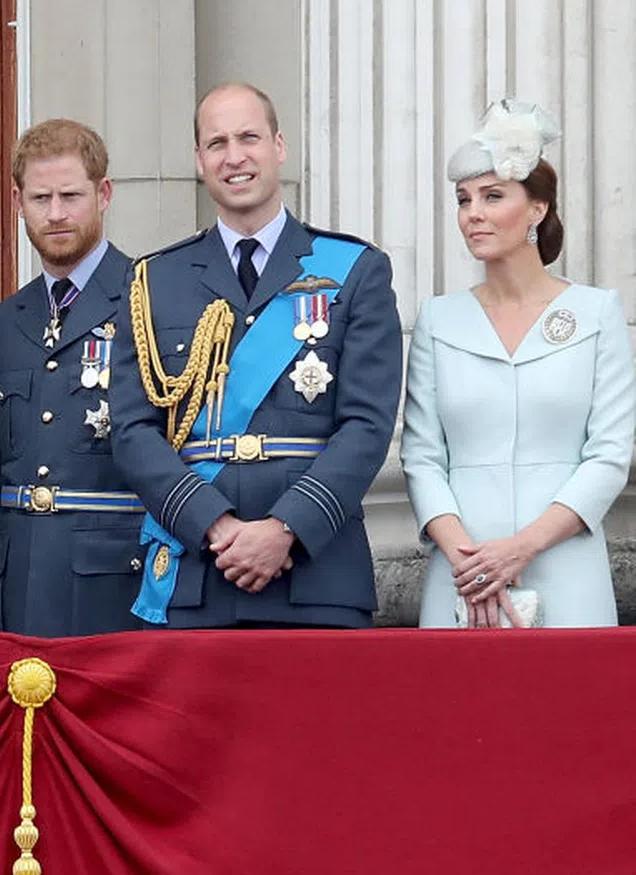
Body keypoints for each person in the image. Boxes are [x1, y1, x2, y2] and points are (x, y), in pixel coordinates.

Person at [110, 82, 403, 628]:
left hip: (317, 575)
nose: (234, 156)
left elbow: (366, 426)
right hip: (198, 572)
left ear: (279, 146)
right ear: (199, 160)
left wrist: (285, 528)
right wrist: (215, 527)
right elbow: (131, 431)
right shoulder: (154, 280)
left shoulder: (355, 270)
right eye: (217, 142)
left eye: (249, 137)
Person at [402, 100, 635, 628]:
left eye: (492, 196)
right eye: (463, 200)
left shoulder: (595, 312)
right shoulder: (439, 320)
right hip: (462, 574)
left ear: (537, 208)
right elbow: (420, 456)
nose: (473, 213)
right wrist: (471, 560)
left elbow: (608, 455)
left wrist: (520, 549)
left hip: (565, 565)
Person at [0, 118, 146, 635]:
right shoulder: (2, 324)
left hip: (114, 583)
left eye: (70, 196)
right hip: (17, 582)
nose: (55, 214)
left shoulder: (150, 299)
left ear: (104, 194)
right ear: (16, 200)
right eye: (40, 197)